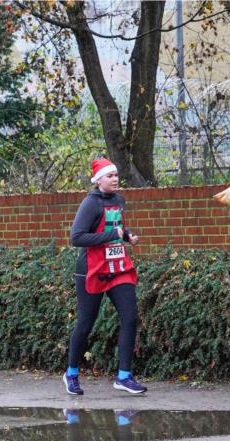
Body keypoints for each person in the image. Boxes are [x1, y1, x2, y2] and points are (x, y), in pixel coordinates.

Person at [63, 158, 147, 396]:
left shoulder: (119, 200)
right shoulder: (90, 203)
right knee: (86, 324)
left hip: (118, 268)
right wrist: (113, 234)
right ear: (98, 180)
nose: (115, 179)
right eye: (110, 176)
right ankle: (71, 373)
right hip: (92, 270)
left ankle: (124, 376)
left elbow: (117, 227)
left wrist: (127, 235)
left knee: (130, 317)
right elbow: (77, 238)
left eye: (116, 175)